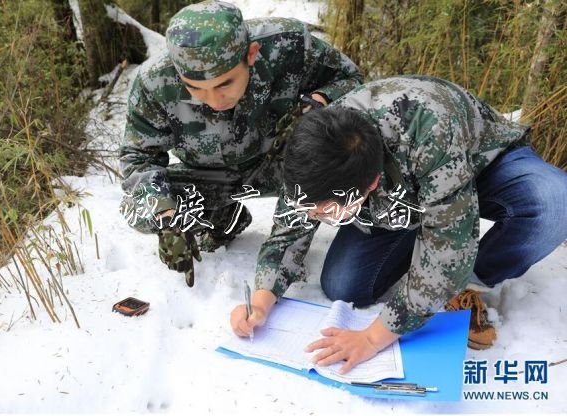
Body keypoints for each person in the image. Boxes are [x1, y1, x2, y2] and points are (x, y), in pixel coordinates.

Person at [230, 75, 567, 373]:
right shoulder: (315, 155)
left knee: (553, 204)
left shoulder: (430, 128)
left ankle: (472, 283)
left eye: (325, 212)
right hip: (402, 194)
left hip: (481, 162)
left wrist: (373, 339)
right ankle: (420, 230)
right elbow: (287, 232)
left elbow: (448, 253)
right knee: (344, 286)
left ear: (371, 184)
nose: (315, 218)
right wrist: (260, 302)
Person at [119, 0, 363, 287]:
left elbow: (352, 80)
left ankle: (288, 254)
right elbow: (138, 159)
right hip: (209, 176)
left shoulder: (289, 44)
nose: (213, 100)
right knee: (139, 209)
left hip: (283, 164)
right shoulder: (153, 83)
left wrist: (318, 102)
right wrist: (167, 216)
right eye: (195, 88)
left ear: (251, 54)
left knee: (331, 159)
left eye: (225, 83)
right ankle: (225, 217)